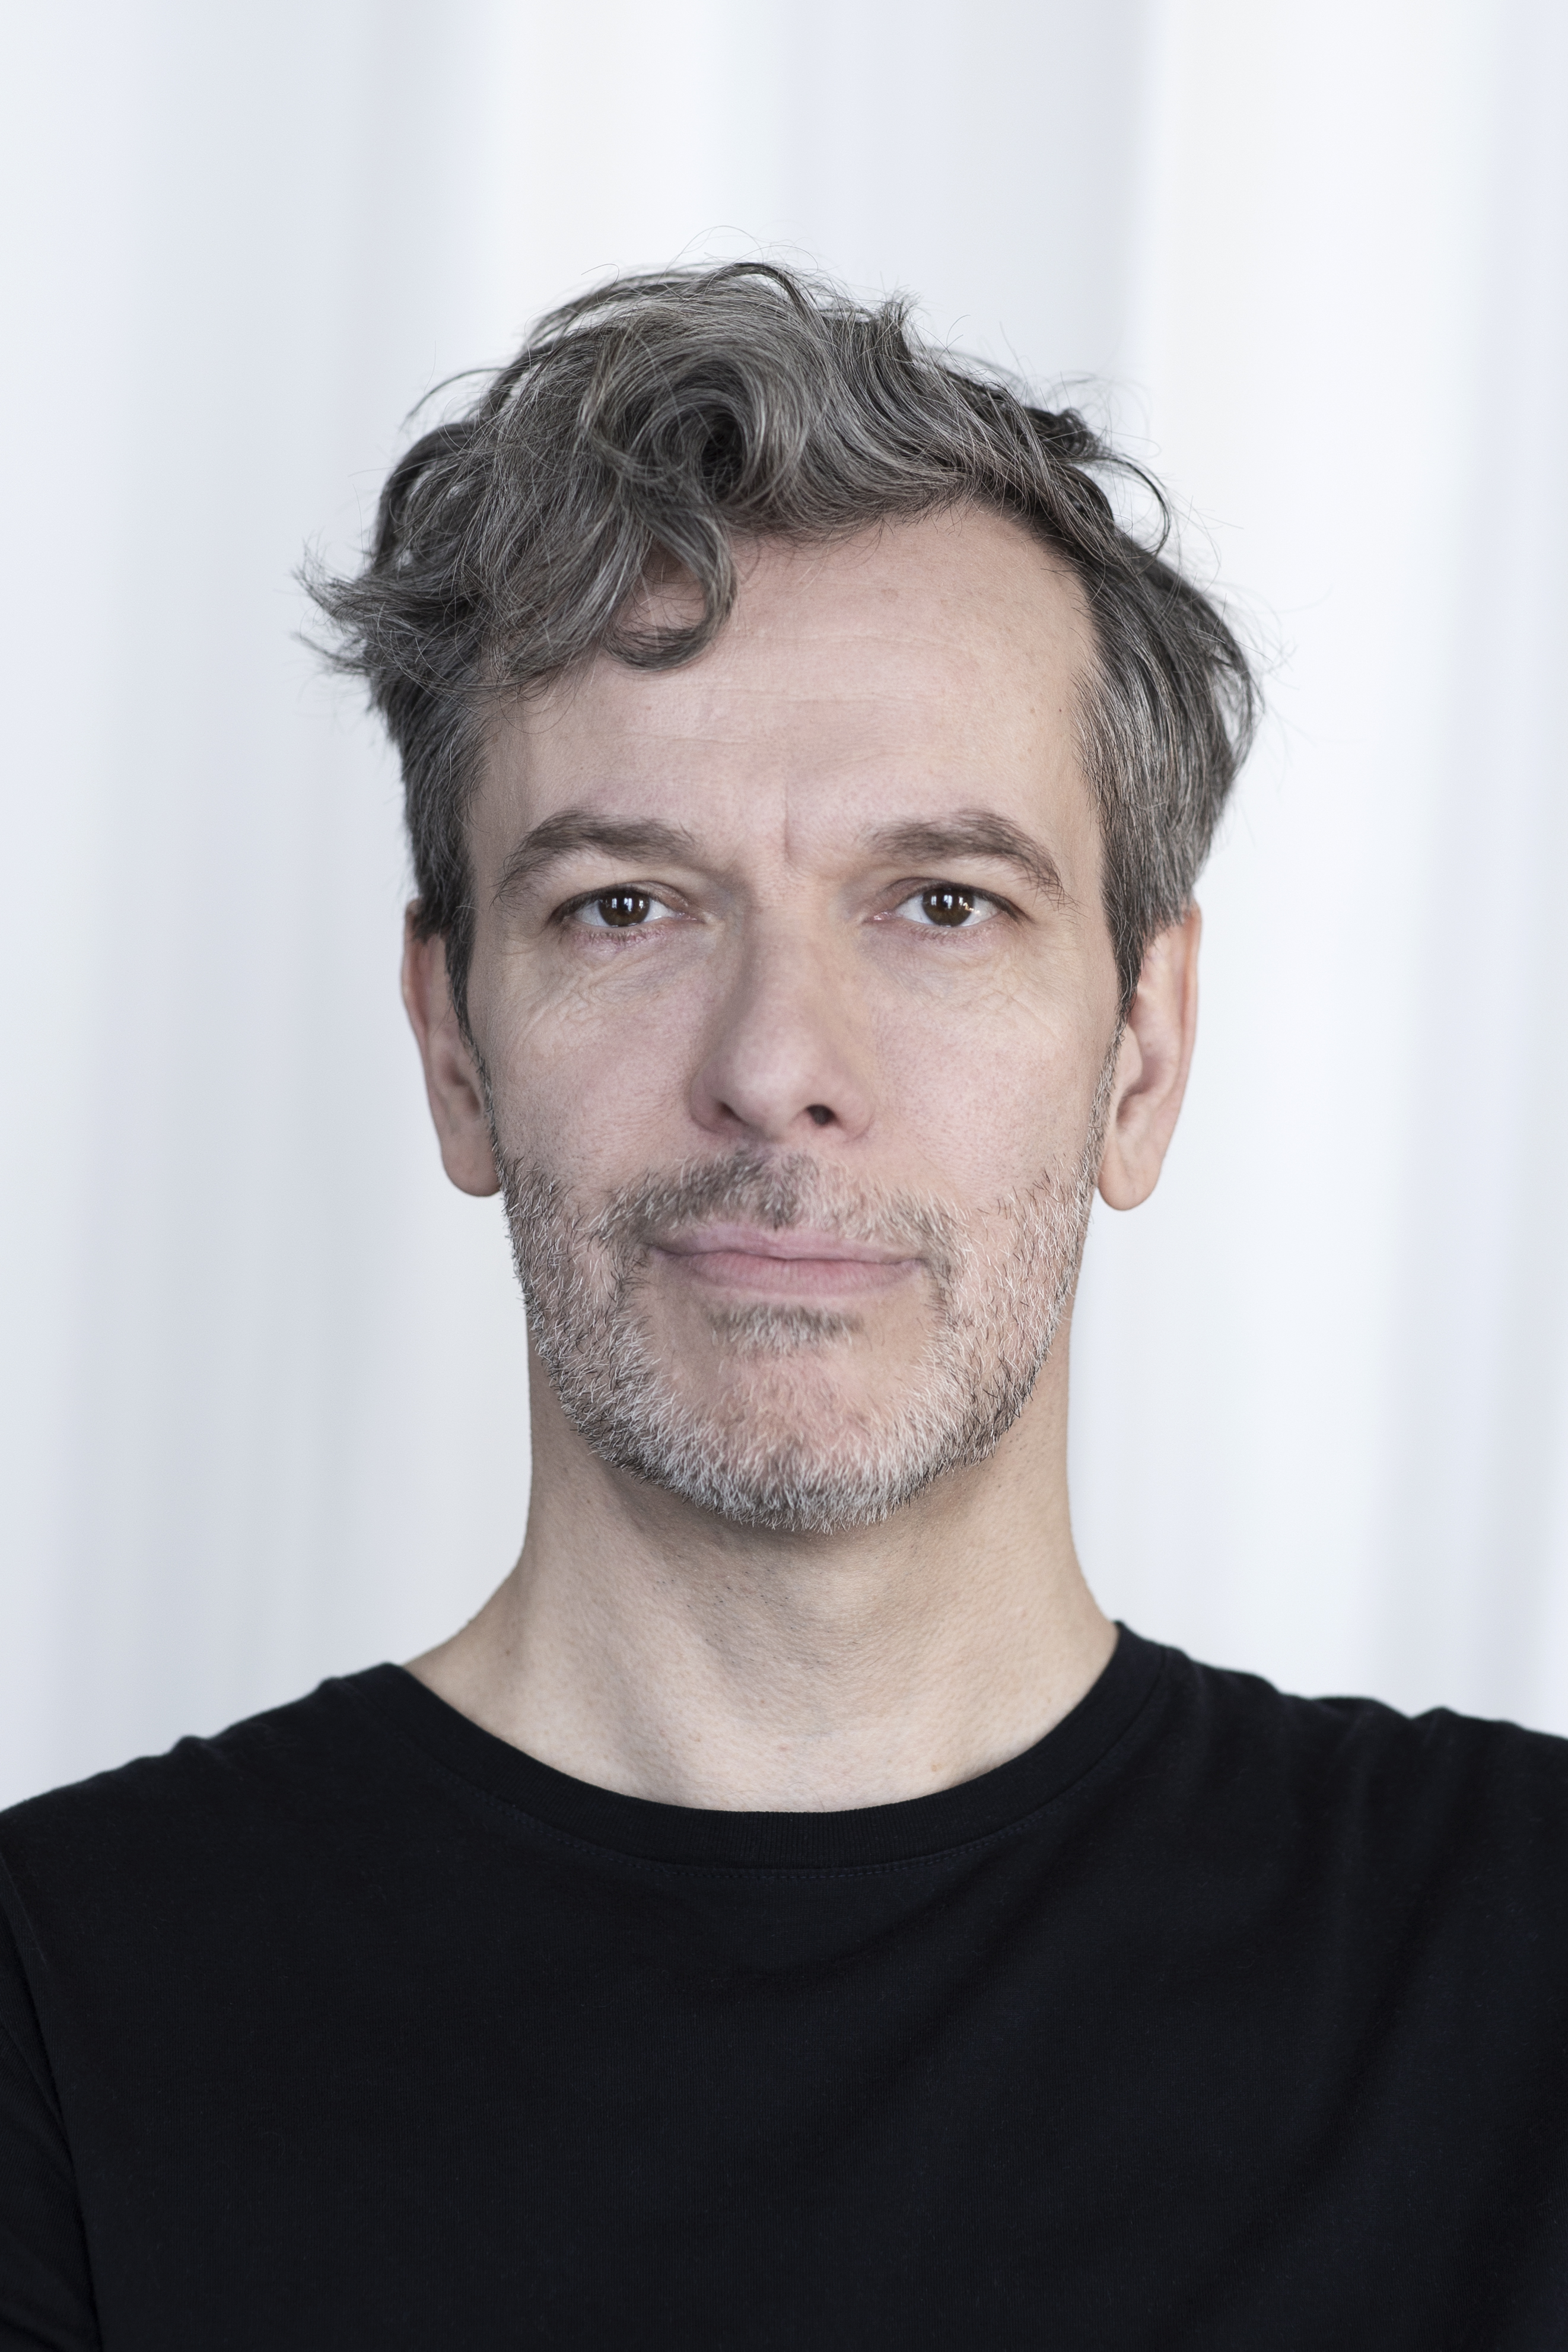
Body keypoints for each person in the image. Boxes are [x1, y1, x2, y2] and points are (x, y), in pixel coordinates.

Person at [1, 263, 1564, 2352]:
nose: (774, 1064)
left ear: (1142, 1050)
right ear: (454, 1046)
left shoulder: (1522, 1966)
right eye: (626, 906)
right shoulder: (58, 2008)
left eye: (943, 904)